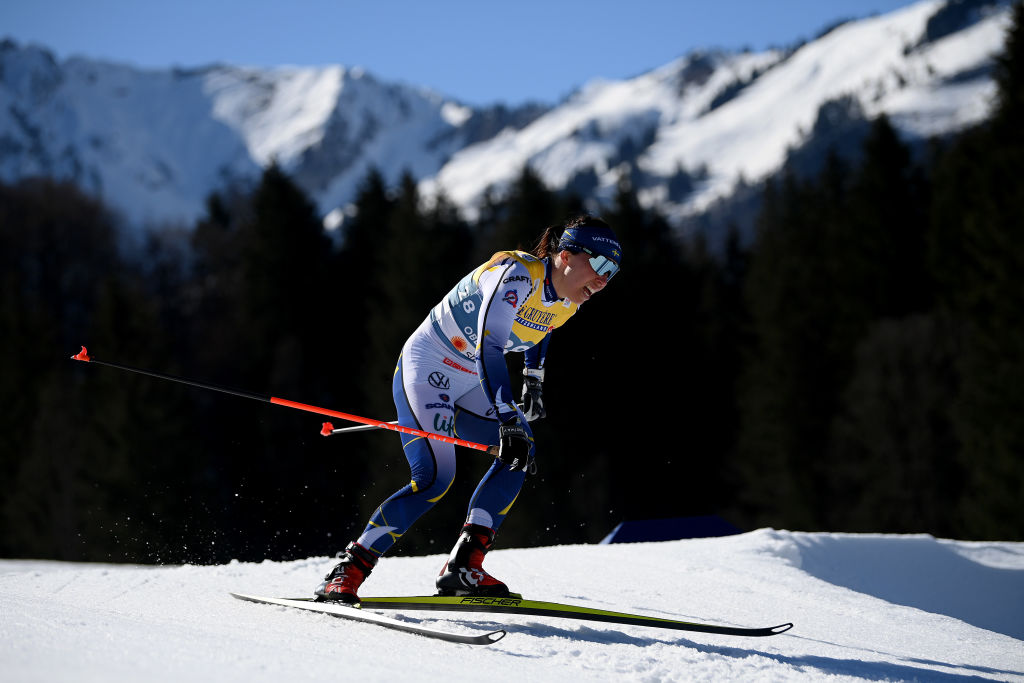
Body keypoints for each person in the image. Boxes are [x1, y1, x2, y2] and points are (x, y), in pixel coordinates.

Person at [315, 214, 622, 603]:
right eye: (600, 264)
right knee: (434, 479)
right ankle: (347, 570)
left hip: (468, 379)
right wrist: (508, 415)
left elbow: (542, 326)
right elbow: (489, 347)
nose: (604, 280)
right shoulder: (516, 274)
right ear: (566, 254)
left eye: (613, 272)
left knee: (518, 452)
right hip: (429, 369)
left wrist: (533, 376)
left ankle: (464, 566)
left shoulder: (570, 302)